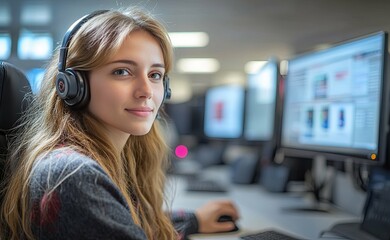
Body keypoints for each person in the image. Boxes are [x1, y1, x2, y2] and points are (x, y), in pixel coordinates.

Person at [0, 7, 239, 240]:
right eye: (122, 71)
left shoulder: (111, 158)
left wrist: (194, 220)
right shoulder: (72, 175)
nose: (146, 91)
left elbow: (124, 224)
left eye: (155, 75)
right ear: (73, 85)